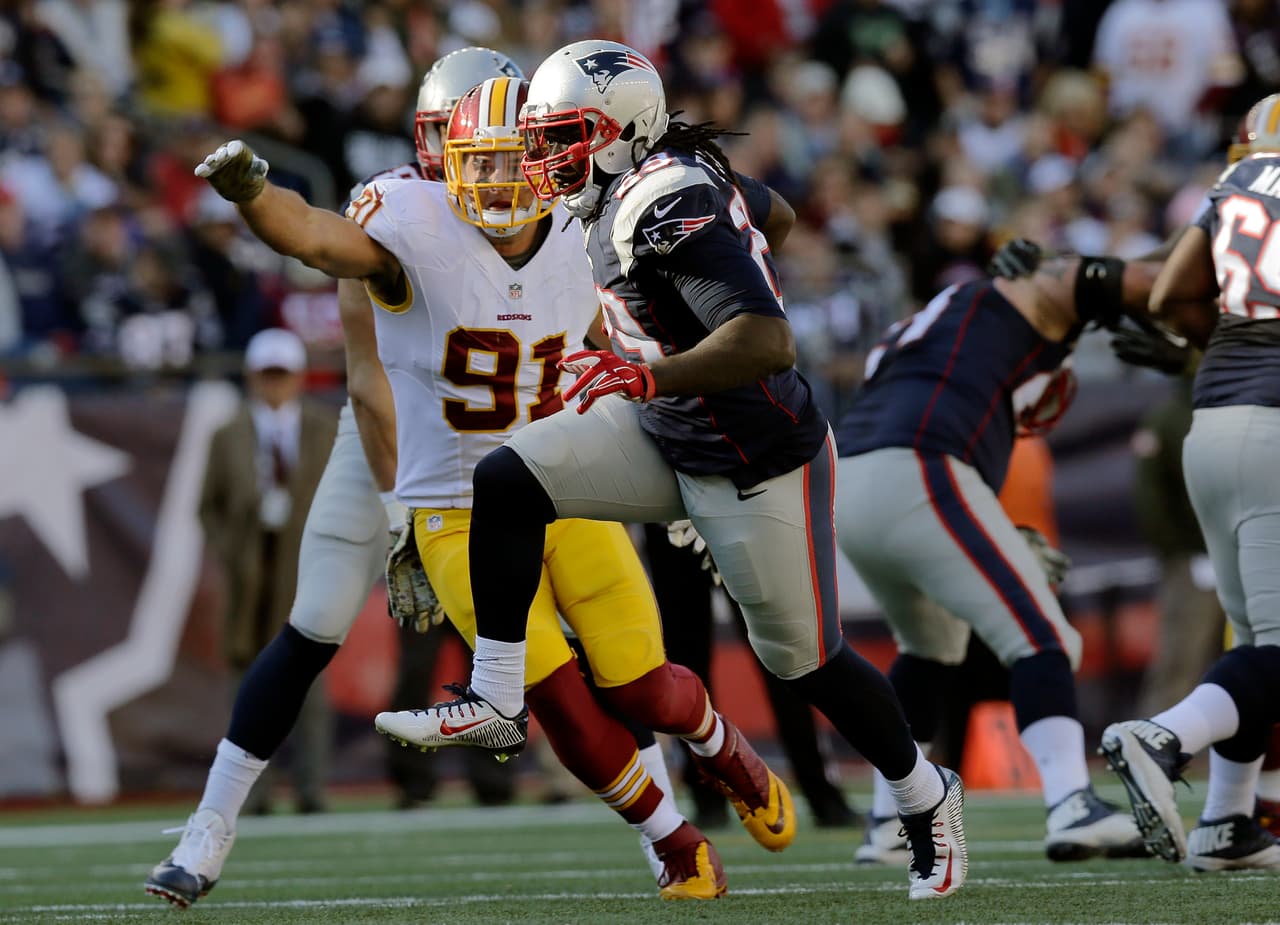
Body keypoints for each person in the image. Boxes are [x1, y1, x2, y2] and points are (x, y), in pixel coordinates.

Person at [184, 73, 801, 903]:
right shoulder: (411, 227)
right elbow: (316, 239)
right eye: (477, 163)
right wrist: (256, 194)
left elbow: (633, 336)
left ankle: (718, 741)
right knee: (558, 702)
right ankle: (674, 839)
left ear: (553, 158)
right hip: (454, 508)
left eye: (514, 163)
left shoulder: (597, 219)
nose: (498, 184)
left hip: (562, 486)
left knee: (640, 683)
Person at [379, 39, 969, 901]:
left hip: (751, 459)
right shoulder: (649, 183)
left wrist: (650, 368)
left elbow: (770, 339)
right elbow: (775, 215)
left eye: (560, 136)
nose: (543, 158)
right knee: (507, 479)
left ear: (621, 131)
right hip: (665, 428)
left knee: (807, 661)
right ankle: (500, 694)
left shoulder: (658, 203)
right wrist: (668, 346)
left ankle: (925, 793)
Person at [834, 230, 1164, 861]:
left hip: (850, 482)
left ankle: (892, 821)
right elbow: (1134, 278)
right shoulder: (1020, 301)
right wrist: (1176, 324)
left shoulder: (937, 326)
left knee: (930, 645)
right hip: (919, 467)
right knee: (1043, 635)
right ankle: (1071, 803)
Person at [1100, 92, 1280, 872]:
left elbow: (1171, 293)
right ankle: (1164, 736)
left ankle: (1225, 821)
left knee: (1253, 640)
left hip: (1211, 418)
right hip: (1275, 420)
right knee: (1275, 648)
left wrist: (1225, 342)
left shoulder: (1231, 188)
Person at [196, 327, 337, 817]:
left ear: (299, 378)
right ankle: (252, 795)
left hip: (306, 571)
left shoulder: (325, 428)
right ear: (252, 378)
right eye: (266, 375)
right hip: (249, 575)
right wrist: (232, 550)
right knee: (249, 686)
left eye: (283, 375)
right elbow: (207, 505)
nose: (275, 385)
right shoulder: (227, 434)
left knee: (310, 685)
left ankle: (310, 788)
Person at [643, 521, 857, 830]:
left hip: (729, 515)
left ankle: (822, 793)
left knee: (780, 659)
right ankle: (706, 796)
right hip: (670, 525)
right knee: (686, 670)